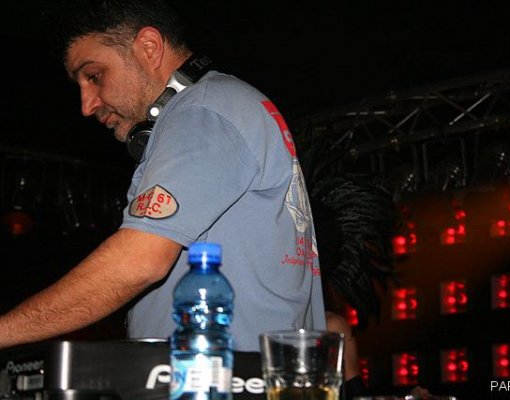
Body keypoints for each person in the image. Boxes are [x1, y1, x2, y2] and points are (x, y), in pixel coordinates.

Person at [0, 0, 325, 352]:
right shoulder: (225, 105)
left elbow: (139, 261)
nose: (87, 105)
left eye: (94, 76)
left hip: (218, 375)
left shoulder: (201, 112)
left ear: (149, 47)